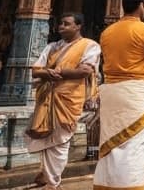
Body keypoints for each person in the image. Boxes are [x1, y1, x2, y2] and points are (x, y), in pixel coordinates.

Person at [92, 0, 144, 190]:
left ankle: (106, 185)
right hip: (136, 91)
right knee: (134, 146)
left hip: (112, 90)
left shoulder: (107, 32)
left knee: (111, 144)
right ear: (142, 5)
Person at [27, 13, 99, 190]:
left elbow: (84, 71)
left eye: (66, 24)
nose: (61, 26)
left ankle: (53, 183)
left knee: (60, 140)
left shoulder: (90, 46)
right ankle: (49, 176)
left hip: (69, 100)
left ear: (78, 26)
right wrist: (49, 73)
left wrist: (55, 72)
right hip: (47, 97)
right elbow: (36, 71)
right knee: (43, 136)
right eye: (60, 23)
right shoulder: (52, 47)